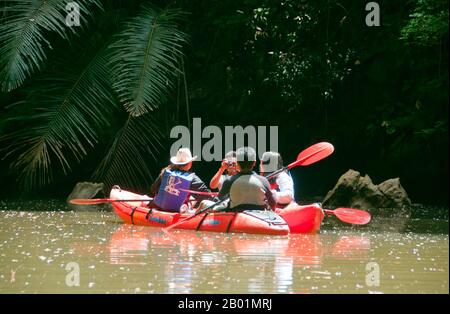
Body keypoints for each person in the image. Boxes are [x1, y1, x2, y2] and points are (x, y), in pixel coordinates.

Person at [150, 148, 214, 212]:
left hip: (159, 208)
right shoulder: (191, 178)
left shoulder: (165, 171)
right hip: (178, 212)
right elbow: (207, 196)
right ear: (190, 163)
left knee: (191, 198)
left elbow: (154, 189)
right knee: (193, 199)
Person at [218, 147, 276, 211]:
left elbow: (221, 197)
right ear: (254, 163)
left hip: (236, 215)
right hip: (259, 217)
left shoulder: (229, 180)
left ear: (237, 163)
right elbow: (272, 204)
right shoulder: (263, 181)